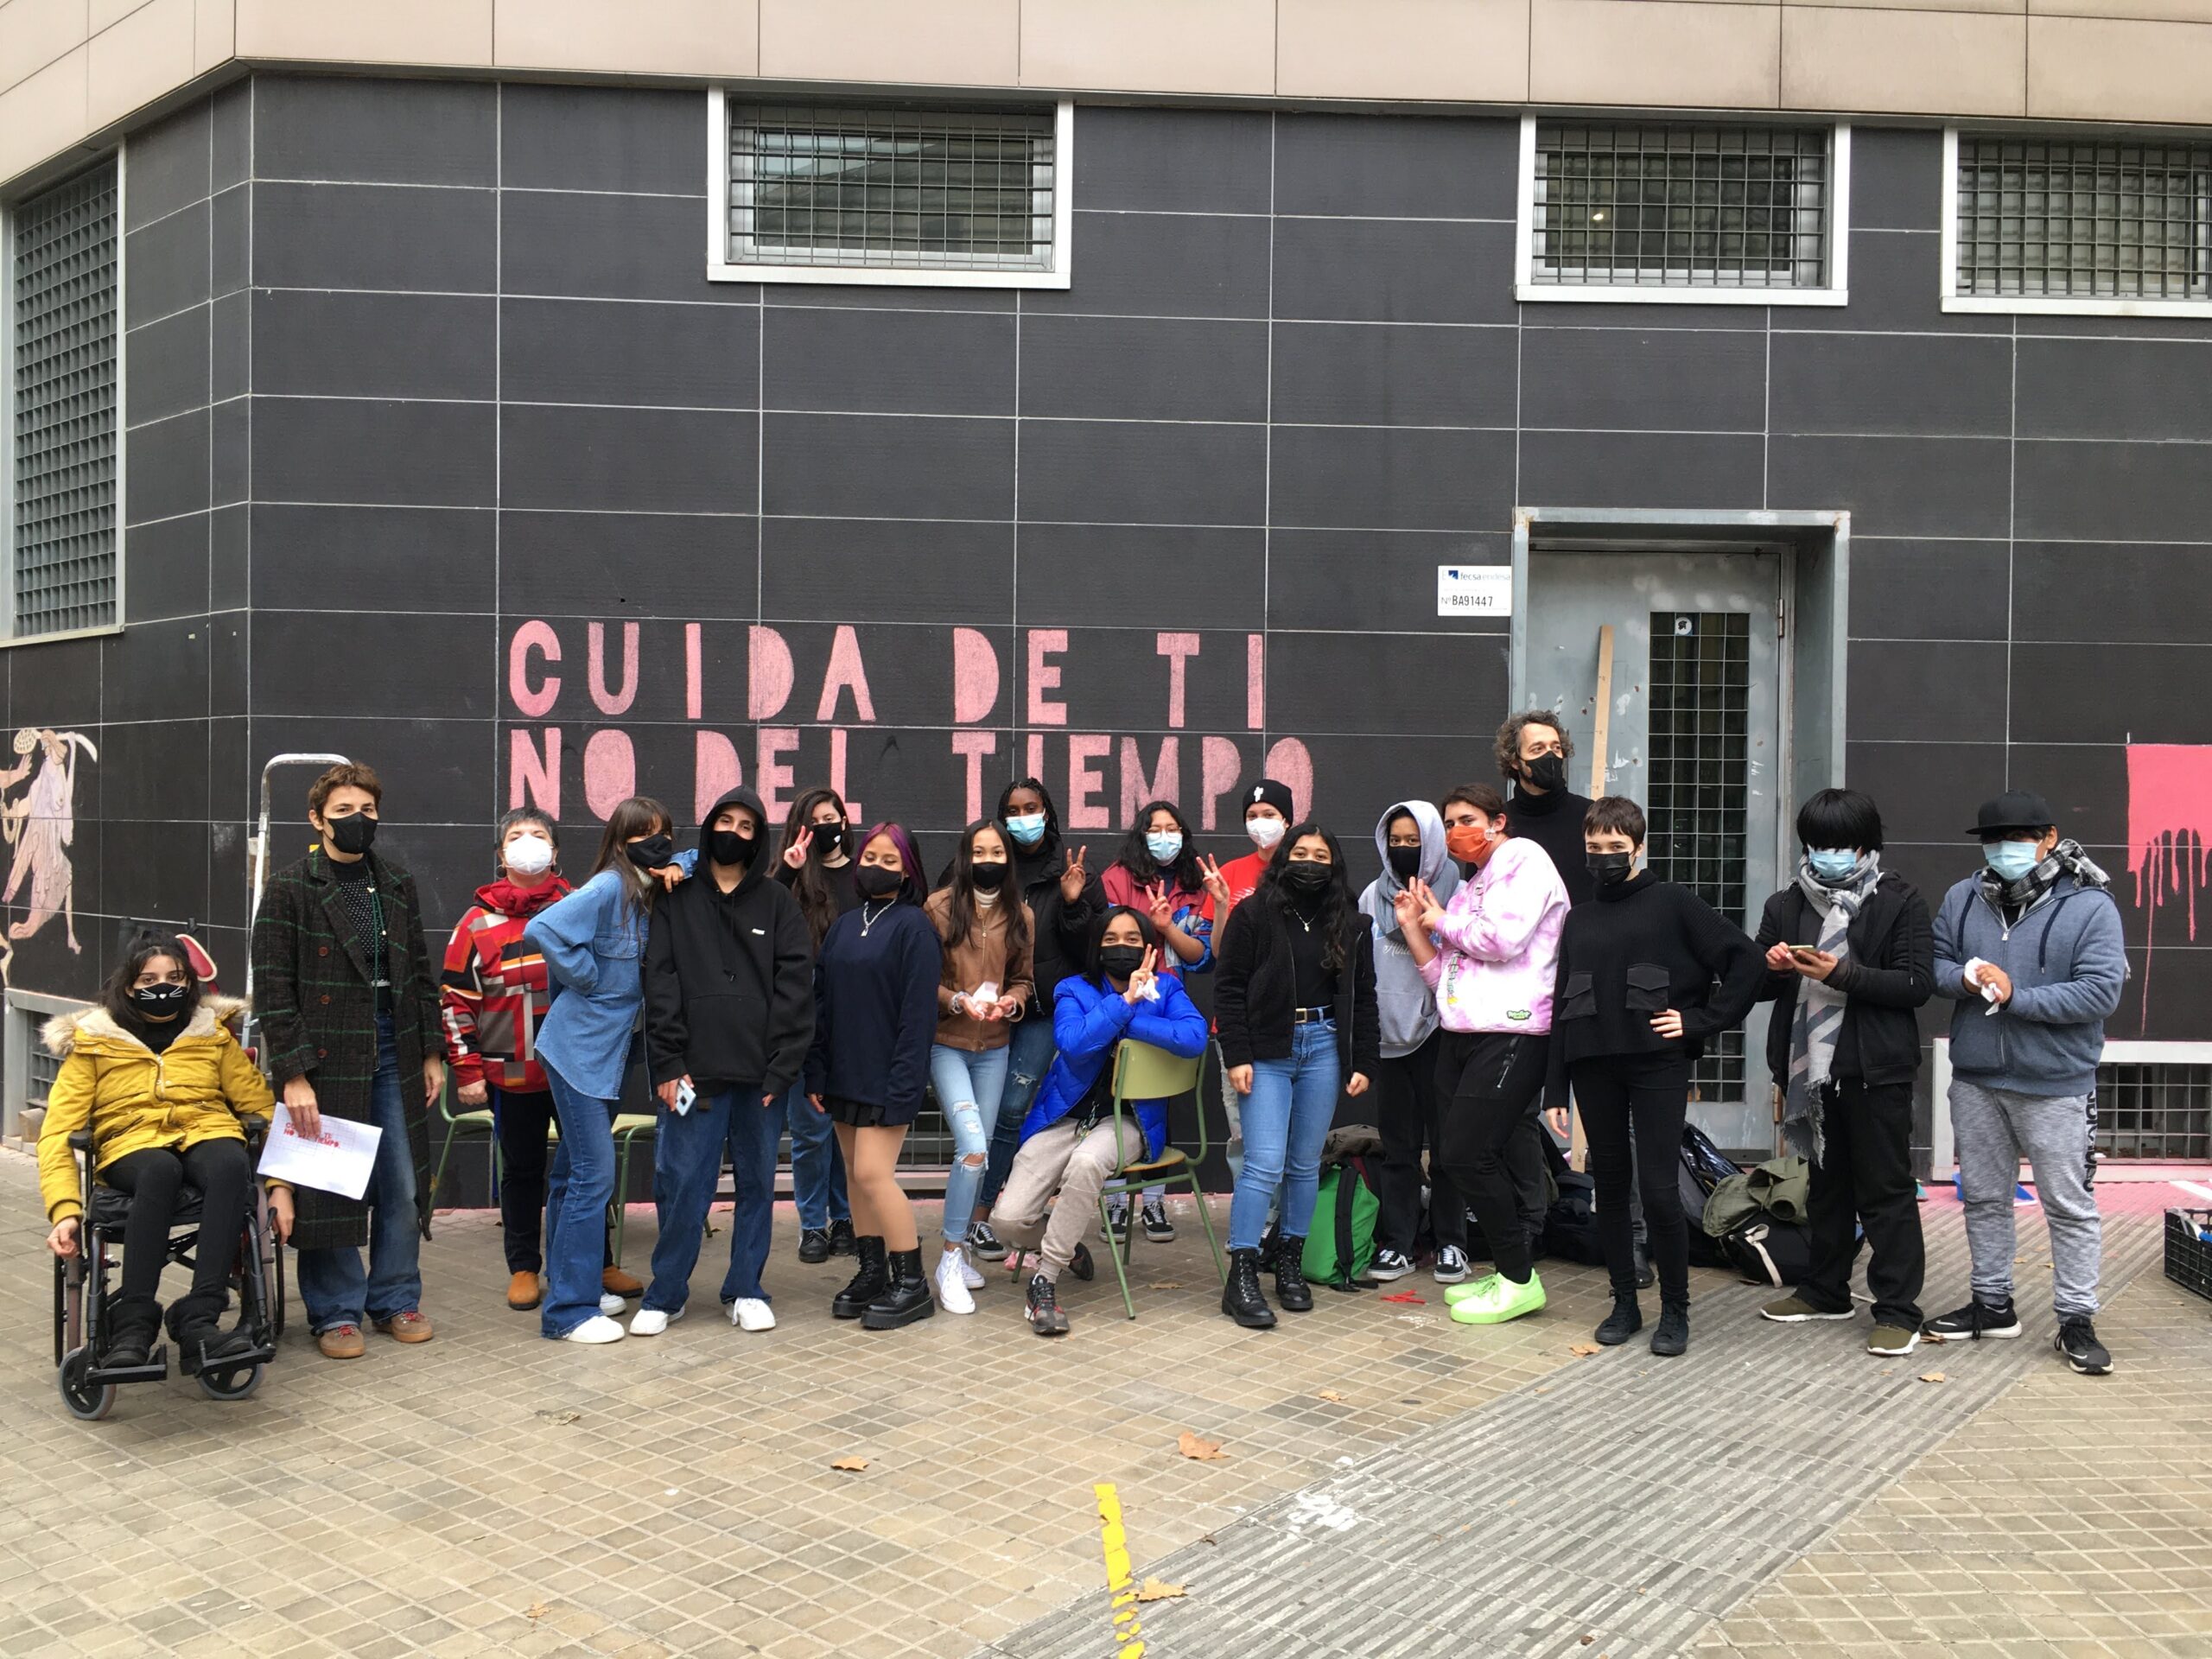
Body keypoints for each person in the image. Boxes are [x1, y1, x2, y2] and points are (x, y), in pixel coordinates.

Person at [1546, 797, 1764, 1357]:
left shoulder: (1673, 902)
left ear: (1638, 848)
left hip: (1657, 1064)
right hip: (1593, 1065)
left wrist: (1700, 1021)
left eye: (1615, 847)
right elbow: (1562, 1003)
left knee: (1660, 1191)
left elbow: (1745, 960)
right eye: (1594, 848)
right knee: (1611, 1189)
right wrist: (1555, 1088)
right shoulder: (1579, 918)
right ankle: (1624, 1302)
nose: (1603, 857)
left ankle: (1675, 1310)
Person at [1924, 790, 2126, 1376]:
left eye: (2017, 837)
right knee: (1985, 1199)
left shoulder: (2090, 904)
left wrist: (2019, 997)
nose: (2003, 848)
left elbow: (2100, 992)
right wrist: (1964, 978)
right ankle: (1992, 1304)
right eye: (1993, 839)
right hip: (1977, 1078)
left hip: (2057, 1083)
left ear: (2049, 839)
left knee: (2068, 1205)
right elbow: (1932, 965)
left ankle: (2076, 1319)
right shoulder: (1963, 897)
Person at [250, 762, 445, 1361]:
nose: (358, 820)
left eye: (367, 810)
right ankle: (335, 1312)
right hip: (325, 1054)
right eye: (343, 811)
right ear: (316, 819)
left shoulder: (396, 883)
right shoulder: (289, 887)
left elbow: (419, 973)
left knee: (403, 1184)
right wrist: (293, 1074)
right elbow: (273, 988)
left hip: (393, 1045)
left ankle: (395, 1299)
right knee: (328, 1183)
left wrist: (431, 1051)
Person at [40, 938, 288, 1371]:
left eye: (175, 978)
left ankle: (198, 1318)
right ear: (129, 986)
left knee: (231, 1163)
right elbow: (58, 1132)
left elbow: (261, 1109)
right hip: (130, 1142)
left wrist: (280, 1186)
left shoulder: (211, 1033)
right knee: (160, 1169)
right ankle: (133, 1323)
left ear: (189, 982)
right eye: (149, 979)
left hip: (204, 1128)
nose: (163, 987)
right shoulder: (95, 1040)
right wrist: (64, 1210)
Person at [1753, 789, 1935, 1357]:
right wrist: (1772, 967)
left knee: (1885, 1190)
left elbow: (1916, 984)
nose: (1827, 856)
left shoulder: (1899, 901)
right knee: (1826, 1188)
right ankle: (1824, 1290)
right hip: (1810, 1073)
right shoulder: (1786, 904)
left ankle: (1898, 1310)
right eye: (1817, 845)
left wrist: (1841, 973)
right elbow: (1757, 984)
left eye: (1840, 845)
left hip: (1876, 1070)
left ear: (1864, 846)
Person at [634, 785, 815, 1337]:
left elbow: (796, 987)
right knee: (683, 1185)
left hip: (761, 1079)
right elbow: (660, 981)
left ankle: (746, 1289)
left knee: (758, 1186)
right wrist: (667, 1063)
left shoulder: (778, 902)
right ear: (709, 824)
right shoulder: (676, 895)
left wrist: (783, 1067)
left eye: (746, 826)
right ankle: (666, 1293)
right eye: (725, 821)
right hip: (692, 1075)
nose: (733, 833)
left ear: (758, 839)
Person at [441, 810, 639, 1312]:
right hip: (514, 1071)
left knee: (588, 1169)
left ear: (555, 852)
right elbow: (456, 999)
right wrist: (467, 1070)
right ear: (500, 854)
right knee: (522, 1169)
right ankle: (524, 1265)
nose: (527, 843)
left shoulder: (582, 905)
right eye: (515, 836)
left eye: (539, 835)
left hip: (579, 1065)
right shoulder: (475, 923)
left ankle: (595, 1263)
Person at [1395, 785, 1569, 1325]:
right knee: (1457, 1157)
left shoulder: (1524, 858)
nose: (1455, 831)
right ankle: (1512, 1272)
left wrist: (1440, 920)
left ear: (1498, 821)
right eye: (1448, 823)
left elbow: (1501, 941)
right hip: (1462, 1034)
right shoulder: (1472, 886)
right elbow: (1444, 976)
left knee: (1469, 1155)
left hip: (1512, 1031)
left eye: (1466, 819)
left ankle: (1519, 1278)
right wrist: (1415, 927)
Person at [990, 911, 1207, 1336]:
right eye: (1110, 939)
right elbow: (1072, 1042)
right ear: (1096, 946)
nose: (1121, 946)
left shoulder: (1166, 987)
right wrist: (1124, 1003)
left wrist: (1129, 1018)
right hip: (1066, 1118)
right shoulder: (1073, 988)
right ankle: (1068, 1248)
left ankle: (1045, 1280)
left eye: (1132, 938)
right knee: (1007, 1221)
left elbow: (1194, 1037)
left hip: (1129, 1122)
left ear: (1148, 947)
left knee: (1088, 1162)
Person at [1213, 823, 1379, 1328]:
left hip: (1324, 1045)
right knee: (1263, 1164)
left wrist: (1363, 1061)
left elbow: (1363, 998)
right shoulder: (1253, 914)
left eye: (1320, 856)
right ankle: (1242, 1275)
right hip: (1267, 1050)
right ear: (1285, 857)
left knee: (1305, 1164)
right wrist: (1237, 1054)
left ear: (1334, 865)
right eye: (1301, 853)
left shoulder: (1351, 922)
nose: (1310, 862)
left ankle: (1289, 1262)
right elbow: (1229, 987)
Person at [524, 796, 675, 1344]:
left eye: (663, 833)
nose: (656, 843)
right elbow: (542, 928)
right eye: (644, 834)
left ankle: (577, 1280)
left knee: (571, 1174)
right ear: (619, 840)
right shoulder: (611, 886)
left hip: (606, 1056)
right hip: (579, 1052)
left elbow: (698, 856)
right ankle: (568, 1311)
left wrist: (679, 864)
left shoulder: (649, 889)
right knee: (594, 1175)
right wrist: (587, 976)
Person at [807, 823, 944, 1331]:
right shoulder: (845, 925)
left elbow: (918, 1018)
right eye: (871, 857)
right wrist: (816, 1070)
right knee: (853, 1177)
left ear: (908, 871)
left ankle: (912, 1283)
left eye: (890, 861)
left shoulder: (916, 928)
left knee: (872, 1174)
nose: (877, 867)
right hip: (843, 1073)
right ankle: (872, 1273)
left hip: (889, 1076)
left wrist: (905, 1085)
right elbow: (821, 1003)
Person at [968, 778, 1104, 1263]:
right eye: (1014, 810)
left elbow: (1096, 947)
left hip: (1042, 1013)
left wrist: (1072, 903)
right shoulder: (988, 861)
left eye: (1032, 808)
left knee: (1012, 1110)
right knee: (979, 1116)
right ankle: (978, 1212)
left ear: (1047, 812)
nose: (1024, 818)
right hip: (984, 1009)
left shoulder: (1073, 870)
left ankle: (984, 1214)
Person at [924, 818, 1036, 1313]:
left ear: (1007, 860)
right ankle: (950, 1257)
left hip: (994, 1046)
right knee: (971, 1147)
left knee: (982, 1154)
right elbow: (922, 978)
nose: (987, 860)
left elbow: (1024, 980)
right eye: (979, 851)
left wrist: (1012, 1002)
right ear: (965, 856)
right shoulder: (938, 907)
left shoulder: (1021, 914)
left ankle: (961, 1252)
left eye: (996, 852)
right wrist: (956, 1001)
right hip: (947, 1042)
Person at [1357, 799, 1463, 1282]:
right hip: (1389, 1040)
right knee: (1398, 1149)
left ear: (1433, 843)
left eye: (1413, 841)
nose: (1404, 849)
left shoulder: (1458, 893)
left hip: (1441, 1035)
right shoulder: (1371, 896)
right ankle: (1398, 1245)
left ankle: (1452, 1244)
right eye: (1395, 841)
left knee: (1447, 1148)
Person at [1100, 798, 1215, 1243]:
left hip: (1168, 1000)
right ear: (1141, 833)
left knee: (1159, 1098)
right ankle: (1114, 1202)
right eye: (1155, 828)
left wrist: (1167, 928)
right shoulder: (1116, 878)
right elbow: (1107, 939)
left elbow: (1201, 957)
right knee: (1112, 1096)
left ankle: (1152, 1202)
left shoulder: (1195, 885)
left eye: (1172, 828)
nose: (1164, 836)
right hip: (1120, 993)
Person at [775, 787, 860, 1263]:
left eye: (833, 817)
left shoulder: (862, 874)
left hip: (852, 1014)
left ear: (845, 822)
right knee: (810, 1130)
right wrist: (789, 869)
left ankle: (844, 1216)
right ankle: (812, 1224)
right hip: (803, 1016)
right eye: (816, 820)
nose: (827, 826)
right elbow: (762, 912)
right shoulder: (793, 877)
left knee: (845, 1127)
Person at [1497, 710, 1594, 908]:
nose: (1550, 755)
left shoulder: (1592, 815)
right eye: (1537, 749)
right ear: (1515, 761)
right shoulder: (1499, 824)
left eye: (1556, 748)